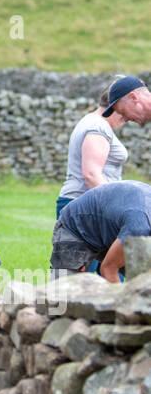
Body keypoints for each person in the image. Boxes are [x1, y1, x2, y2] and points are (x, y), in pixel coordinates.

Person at [50, 180, 151, 282]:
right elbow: (108, 269)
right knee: (64, 292)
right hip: (77, 225)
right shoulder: (138, 228)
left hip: (113, 225)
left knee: (144, 280)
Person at [57, 90, 129, 218]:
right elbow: (91, 175)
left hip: (86, 204)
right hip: (85, 206)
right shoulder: (97, 127)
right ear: (116, 104)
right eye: (126, 109)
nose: (128, 116)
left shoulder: (96, 123)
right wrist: (115, 207)